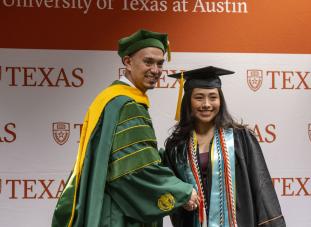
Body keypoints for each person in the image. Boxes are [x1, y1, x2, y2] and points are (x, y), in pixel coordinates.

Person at [51, 29, 199, 227]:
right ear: (128, 62)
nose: (155, 70)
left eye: (160, 63)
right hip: (119, 215)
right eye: (148, 62)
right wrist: (181, 191)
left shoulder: (110, 99)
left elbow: (128, 158)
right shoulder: (128, 105)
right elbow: (133, 171)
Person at [163, 66, 286, 227]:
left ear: (220, 100)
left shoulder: (241, 139)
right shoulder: (177, 146)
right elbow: (173, 189)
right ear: (188, 101)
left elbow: (261, 186)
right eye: (199, 97)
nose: (206, 104)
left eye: (213, 97)